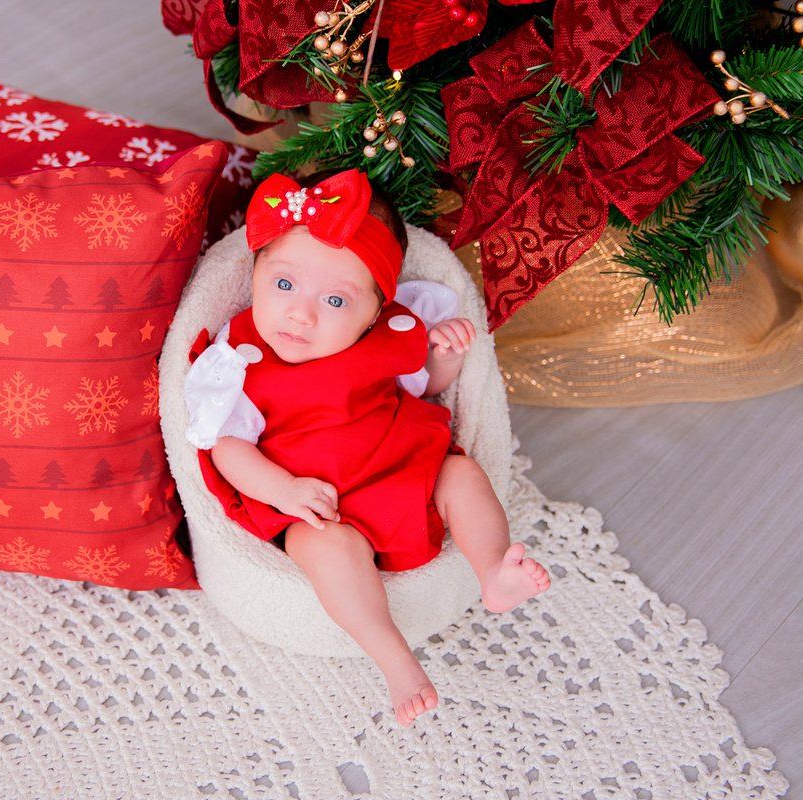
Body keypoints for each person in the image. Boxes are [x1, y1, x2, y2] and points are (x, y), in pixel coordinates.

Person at [184, 169, 550, 727]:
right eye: (282, 285)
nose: (300, 313)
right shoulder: (239, 359)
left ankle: (493, 570)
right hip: (318, 502)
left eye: (335, 299)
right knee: (330, 551)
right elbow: (229, 448)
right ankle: (394, 659)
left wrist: (444, 358)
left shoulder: (388, 336)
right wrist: (282, 489)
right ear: (255, 275)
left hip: (405, 465)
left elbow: (421, 385)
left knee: (465, 478)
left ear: (375, 311)